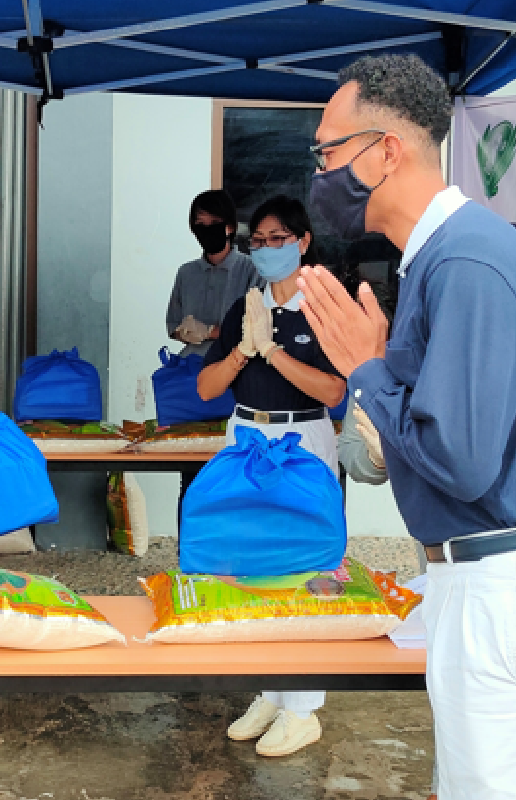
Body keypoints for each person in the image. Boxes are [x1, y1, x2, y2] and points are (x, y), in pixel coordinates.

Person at [298, 54, 516, 800]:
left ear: (388, 151)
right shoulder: (436, 261)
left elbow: (462, 459)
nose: (320, 173)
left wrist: (366, 370)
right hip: (493, 582)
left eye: (329, 151)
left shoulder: (467, 262)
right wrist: (382, 368)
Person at [197, 195, 346, 758]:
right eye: (257, 242)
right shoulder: (245, 306)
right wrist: (241, 352)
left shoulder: (322, 305)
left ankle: (303, 708)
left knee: (306, 562)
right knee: (253, 562)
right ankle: (271, 690)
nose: (265, 251)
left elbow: (334, 392)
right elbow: (206, 389)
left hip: (303, 437)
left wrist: (275, 353)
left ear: (304, 242)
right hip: (246, 434)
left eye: (277, 239)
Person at [166, 189, 262, 358]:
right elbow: (173, 324)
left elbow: (257, 328)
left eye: (214, 222)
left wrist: (210, 332)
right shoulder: (186, 273)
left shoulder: (251, 269)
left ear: (230, 227)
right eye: (200, 224)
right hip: (192, 365)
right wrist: (183, 333)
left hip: (236, 365)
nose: (207, 229)